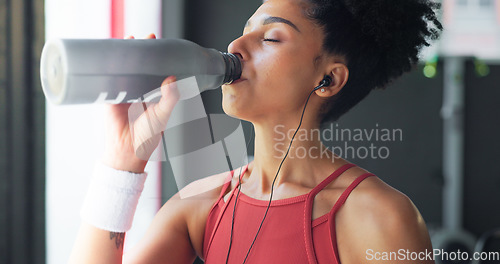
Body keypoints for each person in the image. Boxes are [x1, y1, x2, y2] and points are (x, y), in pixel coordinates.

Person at [68, 0, 443, 263]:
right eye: (245, 31)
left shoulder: (380, 217)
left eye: (271, 37)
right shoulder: (201, 205)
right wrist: (122, 162)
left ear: (327, 78)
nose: (235, 47)